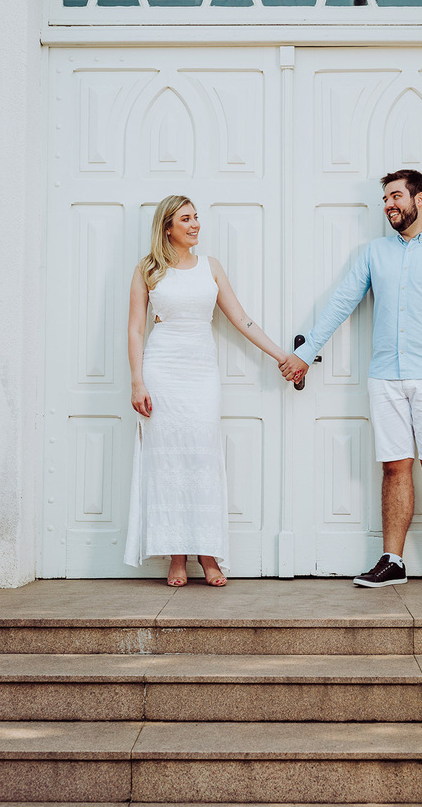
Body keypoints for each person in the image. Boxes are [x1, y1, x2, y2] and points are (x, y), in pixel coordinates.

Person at [280, 169, 422, 589]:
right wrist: (305, 353)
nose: (388, 205)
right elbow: (341, 304)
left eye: (395, 196)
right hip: (385, 378)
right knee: (394, 468)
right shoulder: (374, 253)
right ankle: (393, 561)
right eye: (385, 199)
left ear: (420, 199)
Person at [126, 195, 290, 586]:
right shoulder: (147, 270)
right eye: (186, 219)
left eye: (197, 217)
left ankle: (208, 555)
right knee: (166, 463)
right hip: (162, 371)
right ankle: (176, 557)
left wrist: (282, 356)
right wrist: (137, 380)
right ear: (168, 227)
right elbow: (134, 328)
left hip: (201, 374)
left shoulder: (210, 268)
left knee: (202, 460)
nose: (196, 224)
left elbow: (242, 319)